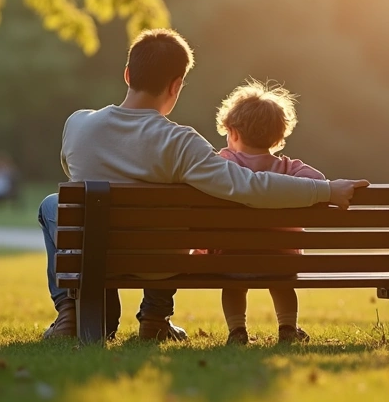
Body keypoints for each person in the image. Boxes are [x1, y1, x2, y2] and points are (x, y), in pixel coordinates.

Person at [38, 29, 368, 341]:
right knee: (174, 203)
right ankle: (155, 317)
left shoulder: (79, 124)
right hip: (160, 267)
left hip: (96, 258)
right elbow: (249, 187)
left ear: (127, 74)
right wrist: (326, 190)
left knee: (53, 204)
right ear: (176, 85)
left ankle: (71, 310)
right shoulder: (181, 143)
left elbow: (71, 171)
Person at [213, 80, 323, 345]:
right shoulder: (288, 168)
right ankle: (287, 328)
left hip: (231, 262)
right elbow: (318, 181)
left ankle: (237, 331)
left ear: (233, 132)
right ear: (278, 138)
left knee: (233, 287)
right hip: (281, 262)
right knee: (283, 282)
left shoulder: (223, 165)